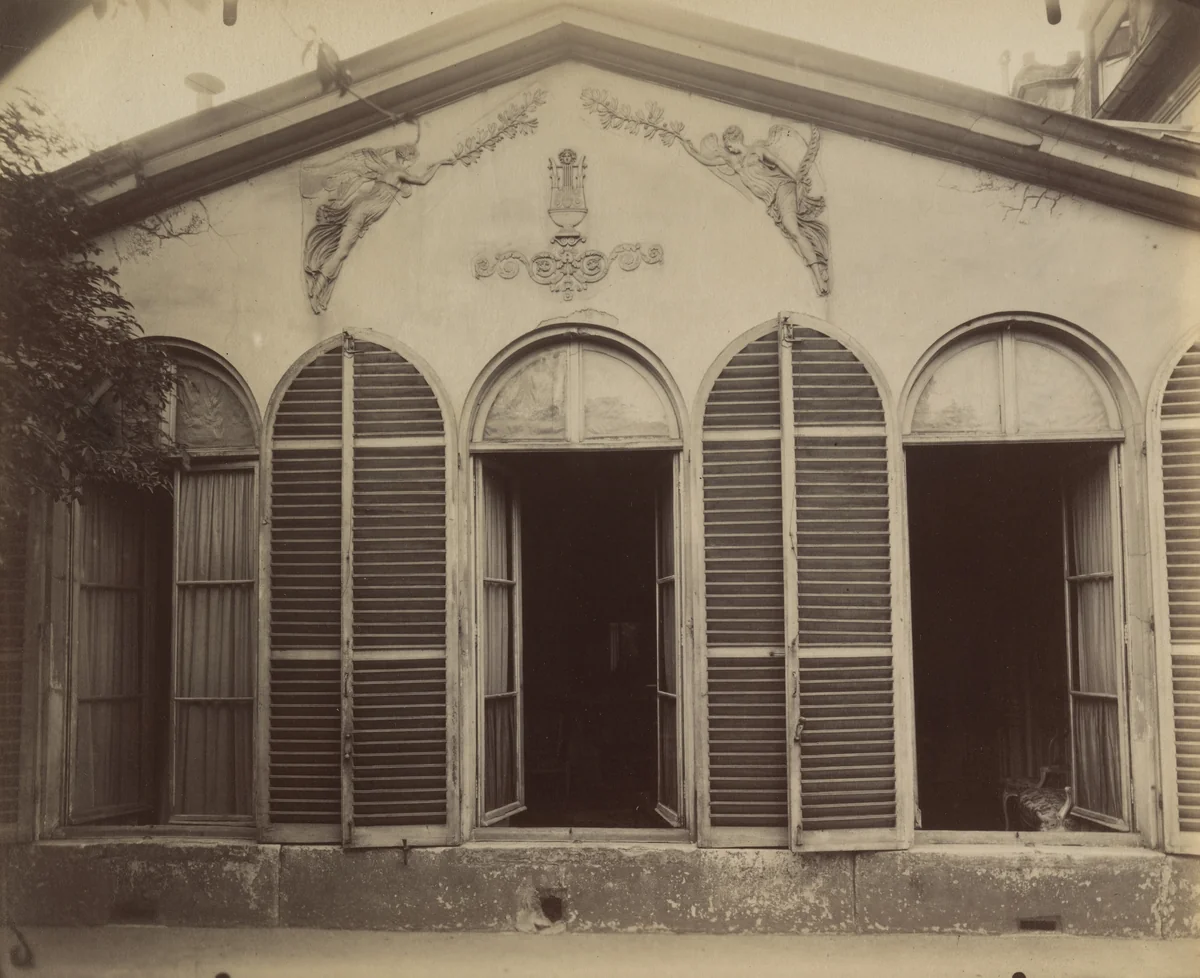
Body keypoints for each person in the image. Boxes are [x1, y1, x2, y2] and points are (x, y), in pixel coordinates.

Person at [681, 123, 830, 296]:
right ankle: (817, 266)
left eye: (728, 144)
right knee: (792, 234)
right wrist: (689, 150)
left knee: (793, 230)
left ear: (734, 139)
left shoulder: (757, 150)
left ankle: (818, 276)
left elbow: (779, 163)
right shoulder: (734, 161)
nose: (728, 148)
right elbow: (707, 161)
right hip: (773, 201)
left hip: (782, 188)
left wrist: (796, 181)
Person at [301, 144, 451, 313]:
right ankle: (315, 291)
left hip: (363, 211)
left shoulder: (390, 170)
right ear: (406, 159)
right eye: (412, 161)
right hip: (362, 212)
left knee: (340, 251)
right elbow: (422, 180)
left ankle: (319, 290)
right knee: (341, 253)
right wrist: (439, 163)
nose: (412, 164)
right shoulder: (397, 171)